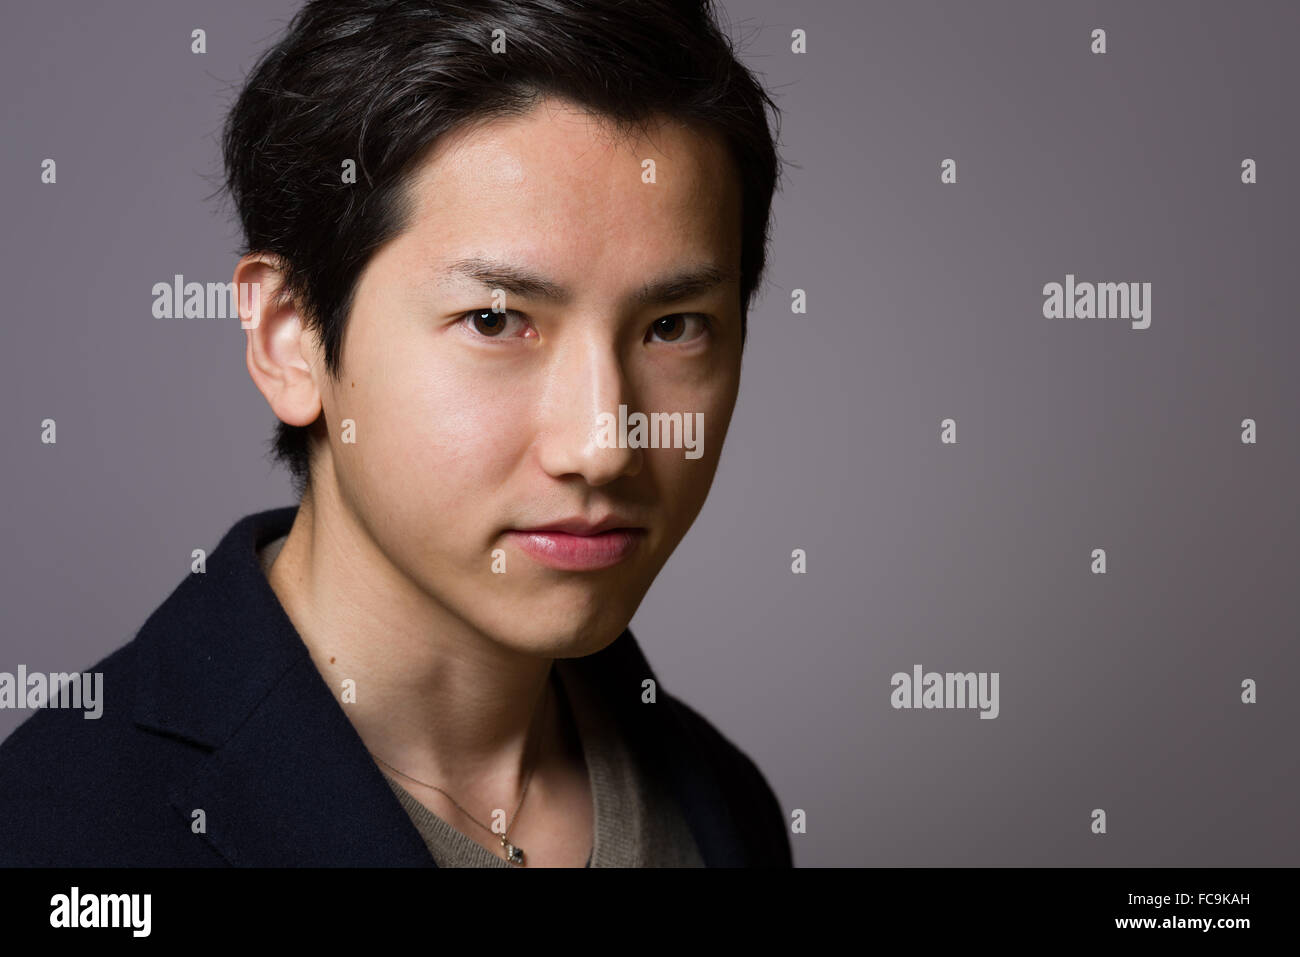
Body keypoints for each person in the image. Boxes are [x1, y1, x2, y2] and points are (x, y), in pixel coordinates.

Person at [0, 0, 790, 867]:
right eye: (495, 320)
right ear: (289, 336)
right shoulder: (65, 833)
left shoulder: (724, 806)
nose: (603, 445)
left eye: (673, 326)